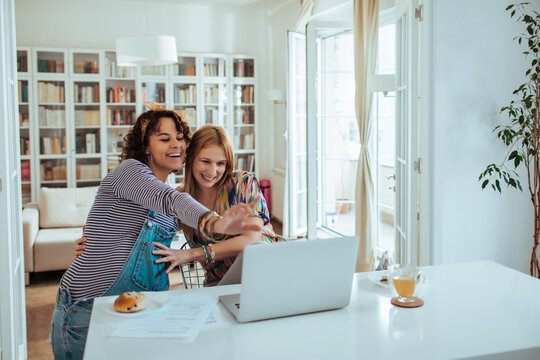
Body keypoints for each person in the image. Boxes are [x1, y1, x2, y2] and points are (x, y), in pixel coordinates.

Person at [51, 109, 261, 360]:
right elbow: (169, 199)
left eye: (181, 137)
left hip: (140, 310)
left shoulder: (171, 195)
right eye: (164, 138)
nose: (176, 144)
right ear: (146, 147)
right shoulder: (130, 171)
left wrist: (101, 242)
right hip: (88, 310)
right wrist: (216, 223)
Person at [151, 124, 280, 286]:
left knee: (257, 249)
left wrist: (191, 254)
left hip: (263, 274)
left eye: (220, 164)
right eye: (205, 161)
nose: (212, 172)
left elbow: (251, 240)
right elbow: (154, 229)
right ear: (190, 160)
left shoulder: (242, 183)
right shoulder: (181, 198)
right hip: (219, 282)